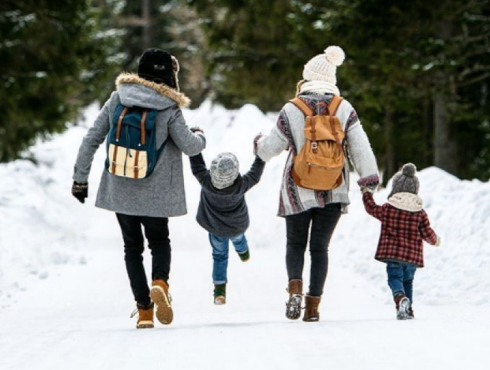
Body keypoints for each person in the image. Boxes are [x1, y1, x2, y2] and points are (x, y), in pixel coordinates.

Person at [71, 48, 206, 329]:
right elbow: (190, 146)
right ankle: (160, 283)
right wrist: (200, 135)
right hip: (157, 193)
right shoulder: (169, 106)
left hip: (121, 188)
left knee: (132, 247)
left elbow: (91, 139)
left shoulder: (118, 98)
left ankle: (144, 311)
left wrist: (80, 179)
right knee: (159, 242)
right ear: (169, 75)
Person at [256, 45, 380, 322]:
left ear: (307, 77)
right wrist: (369, 182)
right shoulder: (344, 108)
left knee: (295, 244)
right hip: (334, 188)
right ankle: (312, 308)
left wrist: (258, 145)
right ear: (331, 80)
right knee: (320, 248)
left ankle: (294, 291)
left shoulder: (292, 108)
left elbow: (269, 149)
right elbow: (361, 148)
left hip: (296, 189)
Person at [362, 163, 440, 320]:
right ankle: (408, 310)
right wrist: (435, 240)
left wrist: (366, 193)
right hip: (412, 258)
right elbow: (426, 232)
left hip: (394, 255)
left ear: (395, 188)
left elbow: (371, 208)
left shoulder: (388, 208)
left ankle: (400, 299)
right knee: (408, 282)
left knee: (394, 279)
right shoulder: (420, 213)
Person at [188, 148, 265, 305]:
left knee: (219, 256)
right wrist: (261, 155)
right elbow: (255, 174)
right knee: (239, 239)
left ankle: (219, 291)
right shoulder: (241, 185)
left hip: (216, 230)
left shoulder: (206, 181)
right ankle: (243, 253)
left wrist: (194, 142)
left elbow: (197, 165)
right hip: (237, 227)